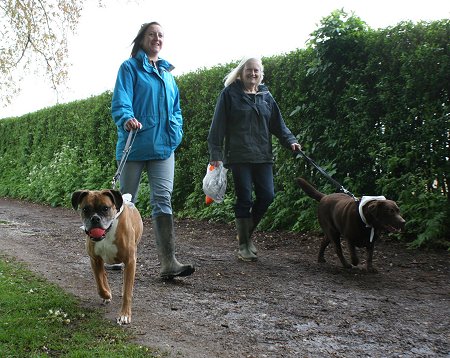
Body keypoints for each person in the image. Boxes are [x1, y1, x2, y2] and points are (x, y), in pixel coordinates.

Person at [111, 22, 195, 279]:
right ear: (142, 39)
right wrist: (127, 117)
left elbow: (176, 109)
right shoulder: (129, 68)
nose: (157, 38)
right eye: (152, 34)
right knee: (125, 201)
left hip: (163, 148)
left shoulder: (169, 75)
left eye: (160, 35)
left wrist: (176, 131)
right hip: (135, 144)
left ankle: (168, 262)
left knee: (163, 200)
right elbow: (121, 99)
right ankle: (116, 254)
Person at [207, 57, 302, 262]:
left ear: (261, 74)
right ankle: (243, 246)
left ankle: (245, 234)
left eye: (256, 71)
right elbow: (218, 126)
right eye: (249, 70)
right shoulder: (229, 94)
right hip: (239, 155)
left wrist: (291, 141)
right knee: (245, 199)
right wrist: (216, 155)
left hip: (262, 155)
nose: (253, 74)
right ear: (241, 73)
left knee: (267, 195)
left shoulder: (266, 95)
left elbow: (278, 124)